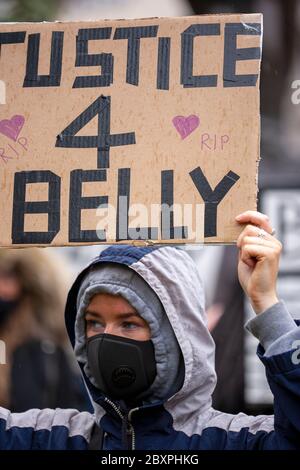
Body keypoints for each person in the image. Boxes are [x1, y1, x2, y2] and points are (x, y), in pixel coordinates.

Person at [0, 211, 300, 450]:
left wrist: (266, 303)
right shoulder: (52, 437)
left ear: (176, 335)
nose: (107, 337)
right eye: (94, 322)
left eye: (129, 323)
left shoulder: (233, 440)